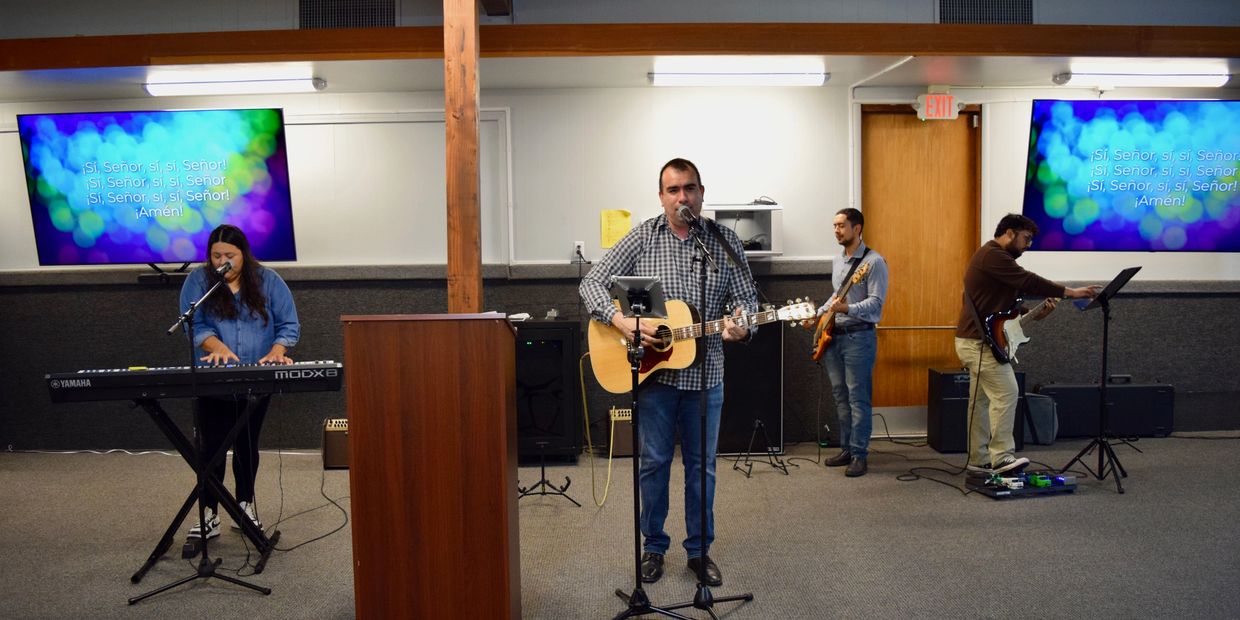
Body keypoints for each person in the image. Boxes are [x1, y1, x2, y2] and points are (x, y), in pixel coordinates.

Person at [579, 158, 758, 588]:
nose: (683, 197)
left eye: (690, 189)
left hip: (706, 377)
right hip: (654, 376)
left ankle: (699, 552)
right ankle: (653, 547)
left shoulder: (723, 241)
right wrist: (620, 321)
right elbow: (591, 284)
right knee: (654, 464)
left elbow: (747, 301)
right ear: (661, 196)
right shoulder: (643, 236)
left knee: (703, 468)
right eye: (673, 190)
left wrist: (742, 324)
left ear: (701, 192)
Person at [179, 224, 300, 540]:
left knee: (247, 444)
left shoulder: (268, 280)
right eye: (216, 255)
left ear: (243, 254)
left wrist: (276, 351)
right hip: (212, 379)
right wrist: (217, 347)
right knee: (212, 447)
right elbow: (194, 325)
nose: (223, 261)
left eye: (229, 255)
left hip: (255, 378)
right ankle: (209, 514)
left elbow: (288, 325)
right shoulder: (199, 281)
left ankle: (245, 506)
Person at [955, 214, 1099, 474]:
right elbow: (1028, 280)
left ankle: (977, 459)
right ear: (1009, 233)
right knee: (1007, 392)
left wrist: (1030, 313)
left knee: (981, 402)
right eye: (1026, 238)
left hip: (975, 342)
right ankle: (1001, 458)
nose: (1029, 244)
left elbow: (1002, 305)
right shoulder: (993, 255)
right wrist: (1071, 292)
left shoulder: (996, 259)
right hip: (977, 344)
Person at [817, 208, 888, 478]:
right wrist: (819, 314)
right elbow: (836, 295)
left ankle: (860, 454)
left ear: (857, 229)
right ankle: (847, 448)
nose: (836, 230)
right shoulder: (838, 261)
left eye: (842, 225)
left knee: (858, 399)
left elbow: (876, 303)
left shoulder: (875, 262)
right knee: (841, 396)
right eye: (834, 225)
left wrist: (847, 309)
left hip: (860, 337)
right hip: (835, 337)